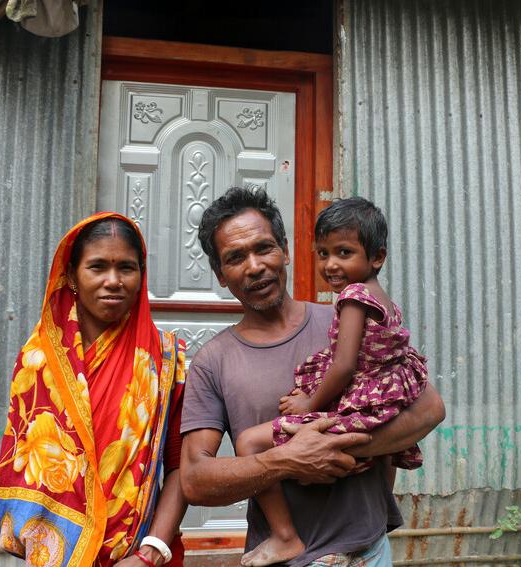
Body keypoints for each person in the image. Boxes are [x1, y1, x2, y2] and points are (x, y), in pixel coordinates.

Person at [180, 188, 445, 567]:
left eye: (264, 248)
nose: (255, 266)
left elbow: (430, 409)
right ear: (221, 275)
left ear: (285, 251)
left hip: (370, 552)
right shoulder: (213, 362)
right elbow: (194, 479)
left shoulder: (345, 322)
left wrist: (333, 451)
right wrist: (287, 461)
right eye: (236, 258)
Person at [0, 213, 187, 567]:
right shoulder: (38, 360)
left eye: (126, 268)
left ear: (141, 275)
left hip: (139, 555)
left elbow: (180, 465)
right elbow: (23, 467)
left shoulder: (166, 360)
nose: (113, 281)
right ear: (71, 275)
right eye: (97, 267)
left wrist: (150, 553)